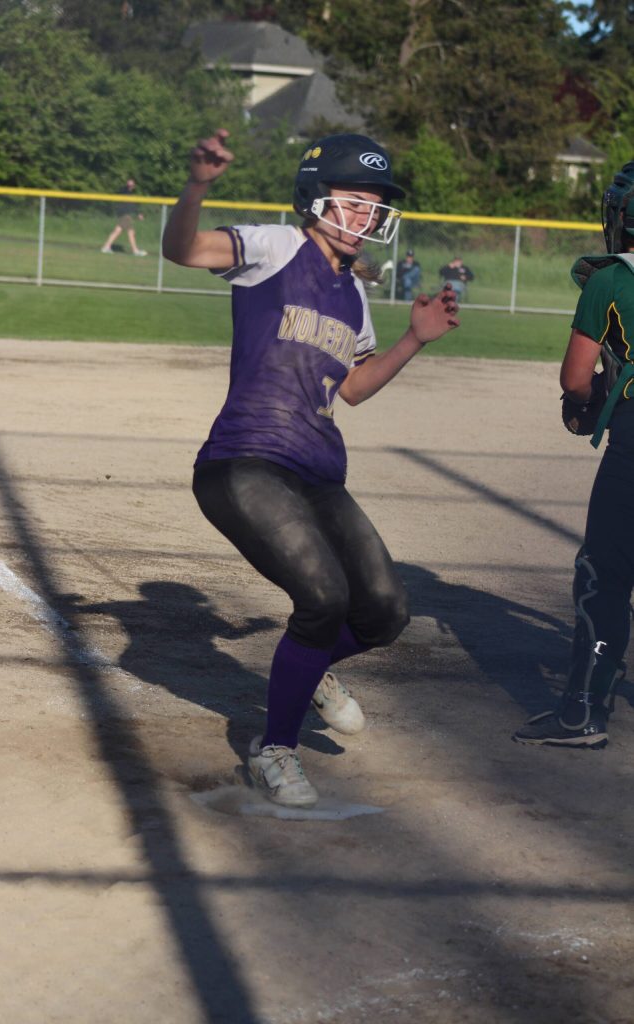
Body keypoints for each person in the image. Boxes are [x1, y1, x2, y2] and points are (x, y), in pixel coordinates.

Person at [162, 128, 459, 808]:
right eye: (353, 202)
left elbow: (351, 389)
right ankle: (276, 749)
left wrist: (413, 339)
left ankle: (312, 667)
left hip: (319, 471)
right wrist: (198, 184)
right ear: (314, 197)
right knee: (322, 598)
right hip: (243, 462)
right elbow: (182, 249)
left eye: (373, 208)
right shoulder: (275, 247)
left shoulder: (353, 292)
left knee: (385, 612)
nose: (365, 218)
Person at [513, 160, 634, 750]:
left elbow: (576, 376)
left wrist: (586, 405)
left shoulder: (610, 279)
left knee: (604, 577)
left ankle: (581, 711)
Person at [101, 178, 147, 256]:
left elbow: (132, 205)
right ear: (127, 184)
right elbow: (127, 202)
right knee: (127, 232)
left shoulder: (130, 193)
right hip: (124, 215)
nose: (131, 185)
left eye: (132, 184)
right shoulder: (124, 191)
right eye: (129, 184)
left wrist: (138, 213)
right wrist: (138, 214)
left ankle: (106, 247)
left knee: (121, 231)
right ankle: (135, 250)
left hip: (125, 215)